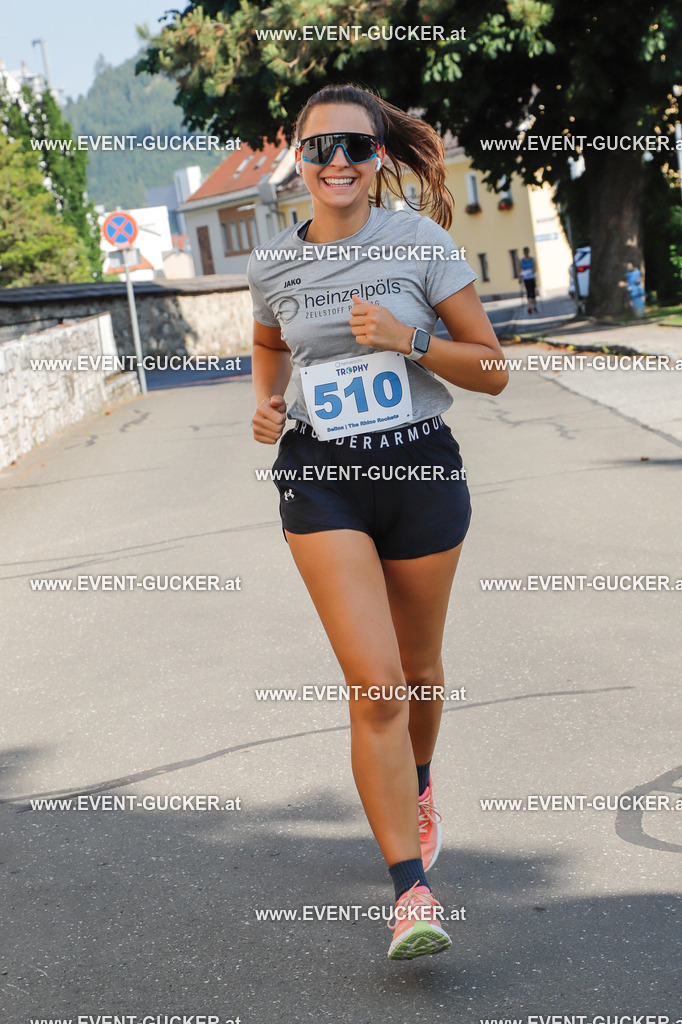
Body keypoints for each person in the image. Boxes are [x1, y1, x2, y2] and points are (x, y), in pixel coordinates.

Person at [247, 83, 509, 960]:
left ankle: (420, 783)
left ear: (379, 158)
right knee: (377, 682)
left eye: (354, 148)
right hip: (321, 478)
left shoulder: (422, 244)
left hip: (420, 468)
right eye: (319, 148)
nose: (337, 163)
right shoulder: (272, 262)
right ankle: (412, 893)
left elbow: (492, 370)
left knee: (421, 666)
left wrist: (411, 339)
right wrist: (265, 400)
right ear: (296, 153)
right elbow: (267, 341)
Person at [519, 247, 538, 313]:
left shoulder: (532, 259)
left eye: (527, 252)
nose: (526, 254)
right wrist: (520, 277)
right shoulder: (522, 261)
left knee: (532, 292)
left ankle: (534, 305)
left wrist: (532, 271)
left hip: (531, 277)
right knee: (528, 292)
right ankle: (529, 307)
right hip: (526, 278)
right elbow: (520, 270)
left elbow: (535, 268)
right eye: (525, 252)